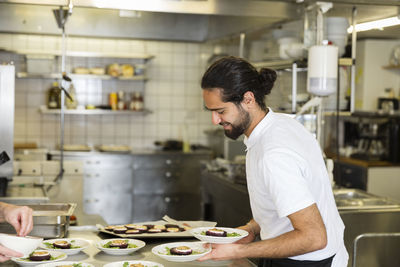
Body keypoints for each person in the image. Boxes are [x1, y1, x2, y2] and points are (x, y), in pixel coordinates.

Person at [199, 56, 348, 267]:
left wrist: (238, 250)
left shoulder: (274, 154)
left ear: (248, 99)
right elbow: (279, 207)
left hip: (308, 262)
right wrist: (251, 229)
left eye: (221, 111)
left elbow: (314, 237)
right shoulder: (280, 124)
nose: (215, 120)